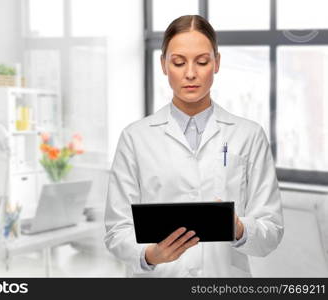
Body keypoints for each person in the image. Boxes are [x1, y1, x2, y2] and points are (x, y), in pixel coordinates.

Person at [104, 15, 284, 277]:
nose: (190, 73)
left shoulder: (249, 135)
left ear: (217, 63)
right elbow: (116, 230)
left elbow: (272, 229)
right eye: (178, 62)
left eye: (202, 61)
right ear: (164, 65)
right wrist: (150, 254)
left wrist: (239, 229)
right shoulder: (135, 138)